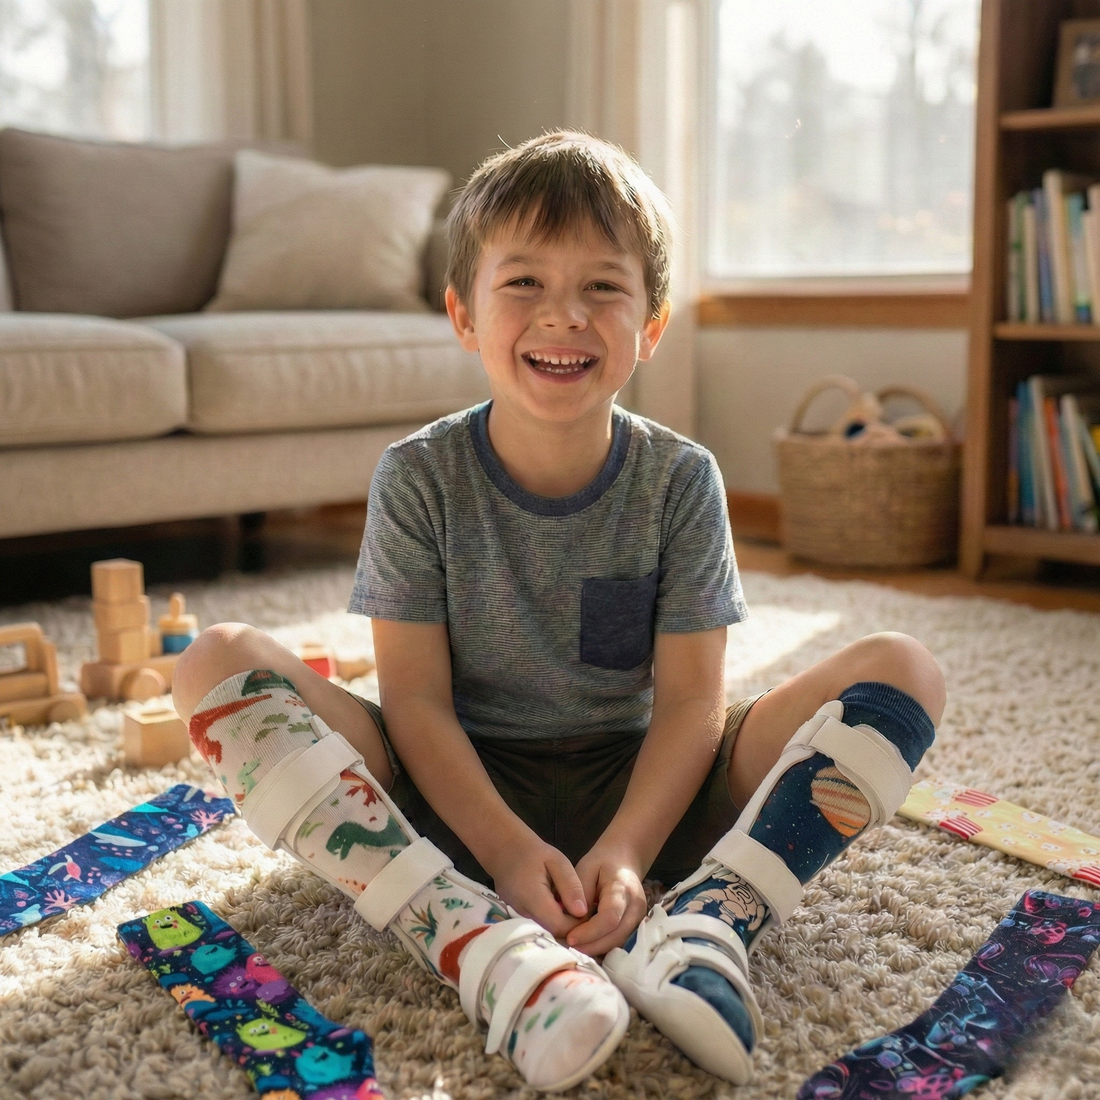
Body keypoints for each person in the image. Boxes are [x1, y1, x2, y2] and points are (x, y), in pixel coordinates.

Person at [172, 130, 946, 1091]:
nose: (564, 316)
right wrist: (501, 852)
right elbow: (414, 703)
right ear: (463, 313)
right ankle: (471, 941)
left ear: (652, 325)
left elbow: (690, 705)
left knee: (907, 668)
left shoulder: (682, 480)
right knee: (213, 659)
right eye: (525, 283)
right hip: (449, 801)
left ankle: (707, 921)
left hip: (651, 795)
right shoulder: (416, 478)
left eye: (604, 289)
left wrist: (628, 852)